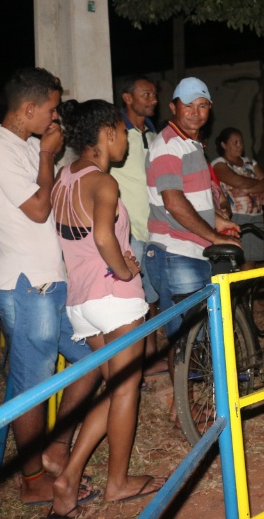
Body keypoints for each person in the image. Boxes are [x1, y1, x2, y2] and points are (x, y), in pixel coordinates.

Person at [0, 67, 99, 506]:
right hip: (28, 287)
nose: (54, 119)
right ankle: (30, 481)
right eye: (50, 109)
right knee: (34, 388)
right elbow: (38, 210)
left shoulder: (25, 148)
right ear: (28, 109)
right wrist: (47, 156)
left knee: (93, 361)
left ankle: (55, 449)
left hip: (51, 284)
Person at [50, 100, 166, 515]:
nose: (126, 142)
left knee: (115, 387)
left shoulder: (65, 176)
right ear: (106, 132)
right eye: (121, 132)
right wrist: (122, 270)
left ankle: (67, 476)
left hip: (81, 302)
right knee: (126, 389)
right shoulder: (104, 182)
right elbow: (103, 238)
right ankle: (116, 482)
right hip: (114, 300)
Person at [145, 77, 241, 342]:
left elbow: (193, 201)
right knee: (186, 345)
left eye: (202, 106)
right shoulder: (169, 145)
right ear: (173, 107)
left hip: (193, 252)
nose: (195, 113)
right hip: (175, 253)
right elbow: (174, 203)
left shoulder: (192, 144)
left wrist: (217, 222)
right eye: (188, 105)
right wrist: (215, 236)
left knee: (202, 343)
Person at [109, 76, 164, 379]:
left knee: (151, 298)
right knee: (132, 300)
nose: (153, 99)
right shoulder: (115, 134)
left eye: (154, 94)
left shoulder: (153, 135)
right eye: (146, 94)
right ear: (127, 98)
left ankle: (151, 357)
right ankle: (130, 365)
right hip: (127, 233)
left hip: (152, 229)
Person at [212, 127, 264, 271]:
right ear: (224, 145)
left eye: (241, 142)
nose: (240, 146)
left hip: (256, 216)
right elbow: (238, 181)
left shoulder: (250, 162)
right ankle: (239, 291)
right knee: (237, 259)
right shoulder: (219, 164)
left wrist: (248, 190)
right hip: (236, 216)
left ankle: (248, 291)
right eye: (235, 142)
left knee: (251, 259)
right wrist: (260, 187)